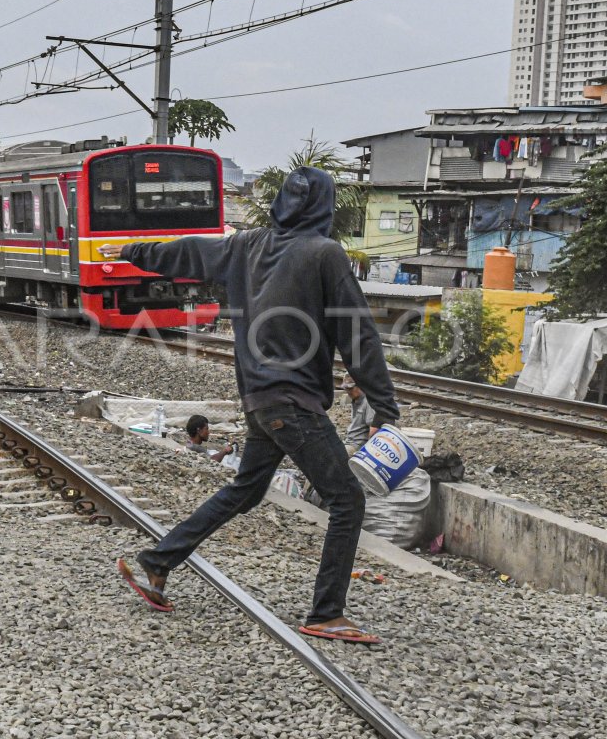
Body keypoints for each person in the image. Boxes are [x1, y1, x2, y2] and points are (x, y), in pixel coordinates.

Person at [106, 166, 399, 645]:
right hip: (294, 402)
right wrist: (385, 409)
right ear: (323, 206)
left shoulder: (247, 244)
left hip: (260, 400)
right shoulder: (326, 254)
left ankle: (157, 562)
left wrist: (136, 251)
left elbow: (191, 251)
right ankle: (327, 613)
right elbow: (358, 336)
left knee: (245, 490)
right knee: (347, 499)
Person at [341, 374, 375, 453]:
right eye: (346, 388)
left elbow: (373, 429)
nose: (348, 391)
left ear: (360, 386)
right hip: (349, 441)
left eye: (350, 388)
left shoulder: (368, 402)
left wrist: (367, 452)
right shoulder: (356, 400)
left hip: (358, 445)